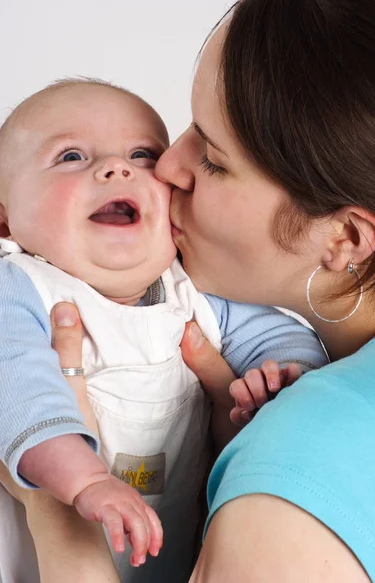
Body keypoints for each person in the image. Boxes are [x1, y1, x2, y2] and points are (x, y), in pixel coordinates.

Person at [5, 0, 375, 579]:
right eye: (70, 158)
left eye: (213, 158)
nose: (165, 168)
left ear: (343, 237)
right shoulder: (24, 288)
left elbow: (274, 349)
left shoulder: (293, 475)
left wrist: (57, 514)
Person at [0, 78, 326, 583]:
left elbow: (278, 335)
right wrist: (85, 481)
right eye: (70, 157)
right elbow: (15, 381)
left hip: (178, 557)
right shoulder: (23, 288)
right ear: (4, 220)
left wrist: (283, 373)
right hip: (48, 558)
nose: (117, 167)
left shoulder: (188, 289)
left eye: (142, 154)